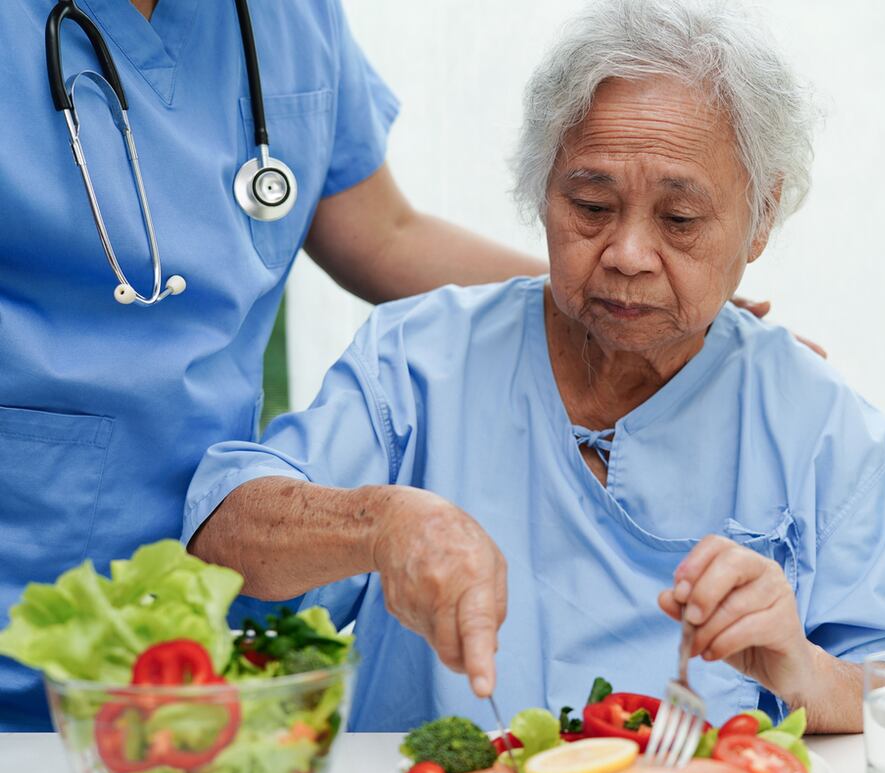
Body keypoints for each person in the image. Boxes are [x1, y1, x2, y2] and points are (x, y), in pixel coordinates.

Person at [185, 0, 885, 734]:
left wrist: (806, 669)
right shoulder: (417, 361)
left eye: (679, 218)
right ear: (542, 193)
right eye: (591, 207)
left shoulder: (821, 424)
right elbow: (221, 536)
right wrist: (378, 522)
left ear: (761, 218)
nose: (628, 253)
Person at [0, 0, 552, 731]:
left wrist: (594, 292)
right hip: (23, 575)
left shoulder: (292, 17)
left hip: (212, 590)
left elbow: (384, 235)